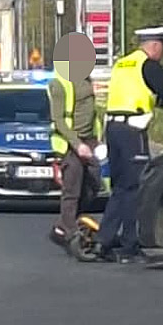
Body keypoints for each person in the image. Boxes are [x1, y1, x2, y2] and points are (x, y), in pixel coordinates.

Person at [78, 25, 163, 264]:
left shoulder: (123, 64)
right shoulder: (149, 65)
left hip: (113, 129)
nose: (162, 53)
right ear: (154, 45)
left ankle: (103, 241)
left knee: (120, 188)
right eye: (161, 48)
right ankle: (129, 246)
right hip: (132, 131)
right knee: (135, 187)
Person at [47, 67, 102, 248]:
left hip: (91, 139)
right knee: (72, 188)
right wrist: (77, 144)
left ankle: (68, 225)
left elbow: (93, 112)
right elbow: (59, 120)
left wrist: (98, 139)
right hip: (71, 144)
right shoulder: (60, 83)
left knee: (93, 183)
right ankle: (69, 232)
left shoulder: (87, 79)